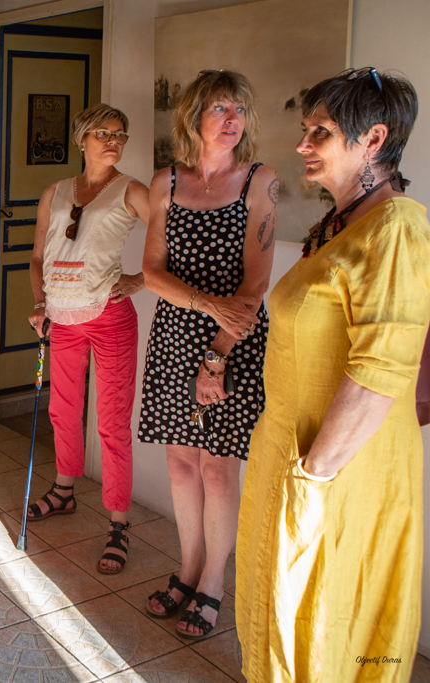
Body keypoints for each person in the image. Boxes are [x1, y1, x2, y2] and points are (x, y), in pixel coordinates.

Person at [237, 69, 427, 682]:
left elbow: (381, 370)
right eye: (305, 130)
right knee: (281, 613)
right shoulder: (342, 225)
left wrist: (313, 477)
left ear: (373, 139)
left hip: (340, 471)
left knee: (327, 625)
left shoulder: (396, 227)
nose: (303, 144)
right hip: (296, 455)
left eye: (319, 132)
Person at [137, 71, 279, 638]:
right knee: (180, 462)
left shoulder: (260, 181)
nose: (232, 118)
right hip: (175, 335)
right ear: (193, 115)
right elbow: (152, 272)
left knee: (218, 468)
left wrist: (217, 354)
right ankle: (188, 568)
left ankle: (214, 582)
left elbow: (255, 285)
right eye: (220, 107)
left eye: (239, 108)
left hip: (233, 342)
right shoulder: (166, 181)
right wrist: (202, 304)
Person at [25, 103, 149, 576]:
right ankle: (64, 490)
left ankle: (119, 522)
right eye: (102, 133)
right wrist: (41, 303)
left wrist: (141, 279)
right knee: (63, 408)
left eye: (120, 134)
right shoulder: (55, 191)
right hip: (62, 315)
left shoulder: (131, 190)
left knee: (111, 422)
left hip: (109, 315)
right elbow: (38, 256)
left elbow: (172, 237)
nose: (113, 141)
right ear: (82, 139)